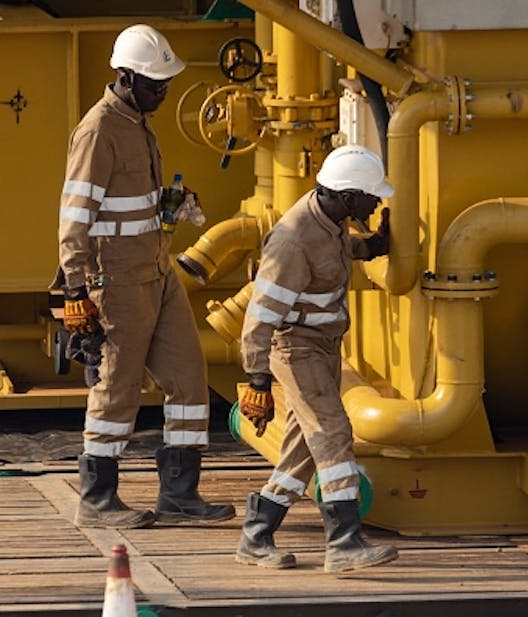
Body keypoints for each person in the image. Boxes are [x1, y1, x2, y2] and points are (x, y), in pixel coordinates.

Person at [55, 24, 234, 529]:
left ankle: (180, 494)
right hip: (117, 279)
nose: (163, 93)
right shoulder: (98, 131)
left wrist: (169, 205)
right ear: (126, 78)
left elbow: (126, 203)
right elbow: (75, 216)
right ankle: (96, 498)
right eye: (155, 85)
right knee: (117, 386)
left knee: (188, 379)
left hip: (157, 269)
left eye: (165, 85)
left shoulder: (137, 119)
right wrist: (76, 289)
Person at [235, 144, 398, 572]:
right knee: (332, 432)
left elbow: (334, 258)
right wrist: (257, 381)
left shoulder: (330, 219)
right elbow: (260, 315)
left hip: (323, 347)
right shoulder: (293, 239)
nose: (376, 201)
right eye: (370, 196)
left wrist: (373, 246)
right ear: (347, 196)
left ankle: (257, 534)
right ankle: (344, 542)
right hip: (297, 349)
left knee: (303, 450)